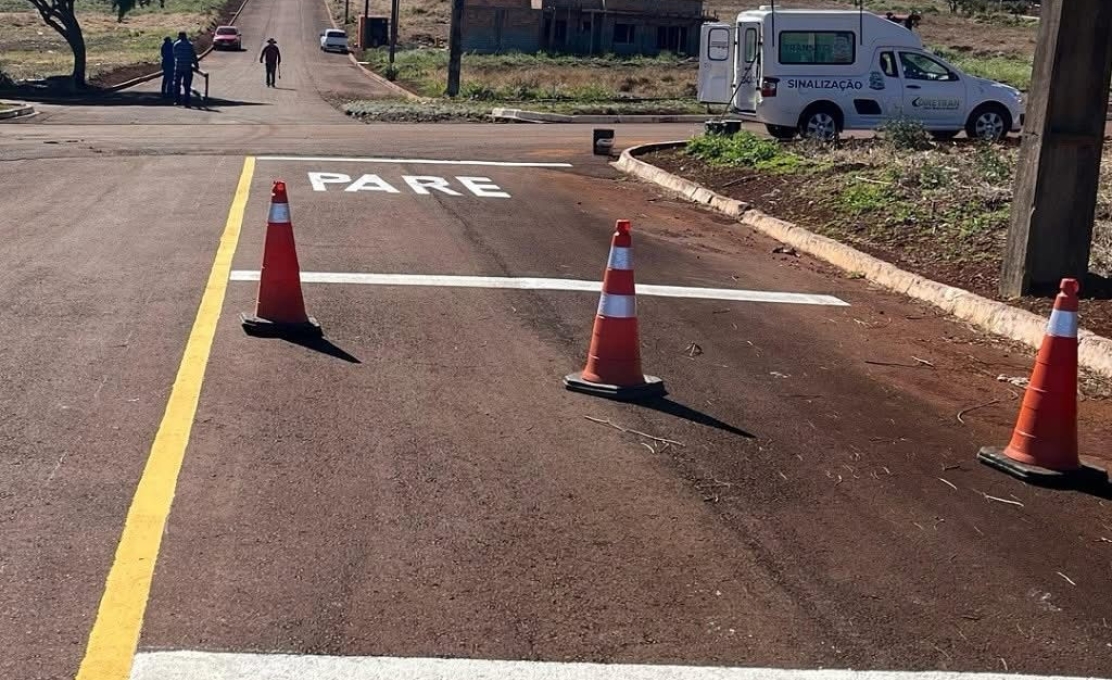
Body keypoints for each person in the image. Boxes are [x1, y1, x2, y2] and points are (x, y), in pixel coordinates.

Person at [172, 31, 198, 106]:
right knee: (187, 85)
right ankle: (187, 101)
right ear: (185, 36)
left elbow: (174, 55)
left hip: (178, 67)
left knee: (177, 84)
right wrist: (196, 65)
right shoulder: (190, 45)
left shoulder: (176, 45)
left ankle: (177, 101)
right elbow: (193, 56)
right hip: (187, 67)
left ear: (179, 36)